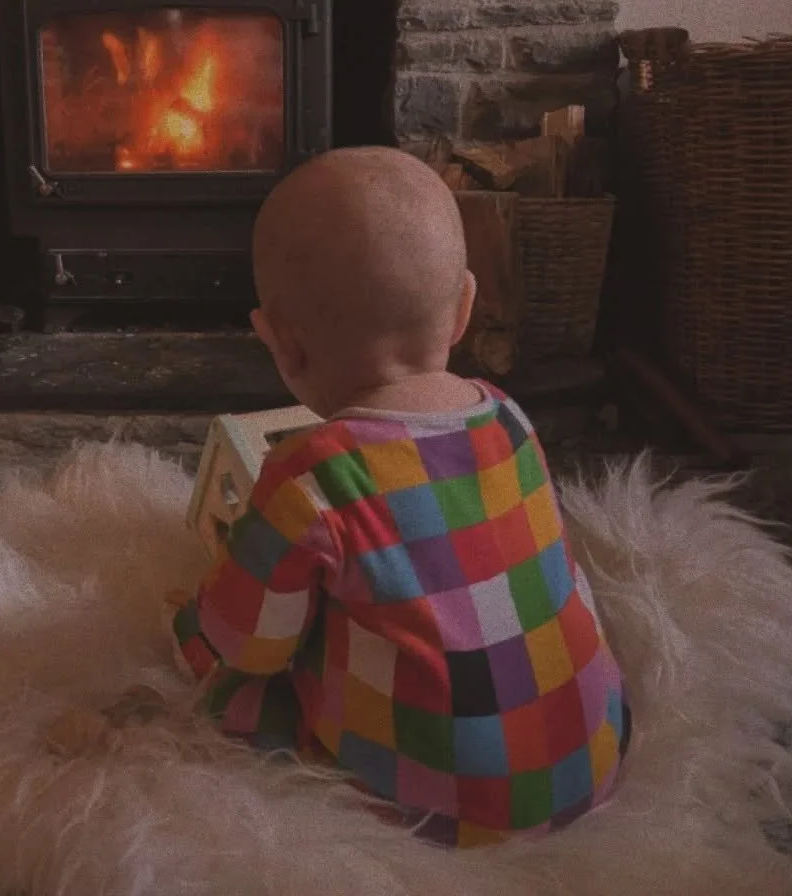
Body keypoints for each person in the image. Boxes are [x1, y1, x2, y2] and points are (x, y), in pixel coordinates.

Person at [169, 146, 631, 848]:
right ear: (464, 309)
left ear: (280, 343)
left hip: (429, 815)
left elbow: (246, 644)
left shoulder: (313, 474)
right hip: (589, 765)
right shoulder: (509, 416)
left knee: (234, 686)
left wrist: (195, 620)